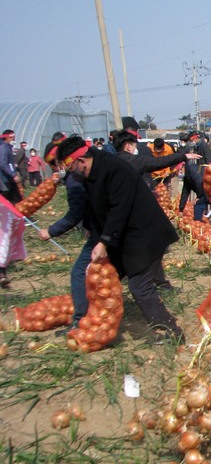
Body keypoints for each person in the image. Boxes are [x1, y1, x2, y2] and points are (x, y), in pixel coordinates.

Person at [55, 136, 185, 344]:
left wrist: (104, 241)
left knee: (140, 286)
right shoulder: (91, 173)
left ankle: (173, 333)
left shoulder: (113, 168)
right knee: (91, 274)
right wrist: (92, 229)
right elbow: (95, 206)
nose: (70, 173)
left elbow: (119, 209)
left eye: (69, 168)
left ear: (79, 160)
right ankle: (89, 324)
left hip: (145, 234)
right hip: (127, 236)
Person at [39, 141, 93, 336]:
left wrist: (51, 231)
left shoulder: (73, 180)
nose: (54, 170)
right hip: (105, 228)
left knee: (79, 272)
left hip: (105, 232)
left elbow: (75, 213)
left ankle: (80, 321)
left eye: (54, 165)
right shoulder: (80, 175)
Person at [113, 131, 198, 189]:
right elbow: (158, 162)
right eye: (135, 146)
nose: (136, 149)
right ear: (128, 146)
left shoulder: (112, 160)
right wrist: (183, 156)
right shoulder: (131, 161)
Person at [178, 131, 210, 221]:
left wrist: (198, 197)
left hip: (206, 181)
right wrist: (181, 209)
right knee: (200, 204)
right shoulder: (189, 176)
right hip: (201, 179)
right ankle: (199, 221)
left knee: (201, 204)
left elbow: (208, 161)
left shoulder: (203, 145)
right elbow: (185, 191)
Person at [0, 129, 23, 204]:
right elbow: (3, 164)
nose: (14, 139)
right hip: (5, 178)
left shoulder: (8, 148)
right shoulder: (3, 148)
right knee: (8, 198)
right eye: (13, 138)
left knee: (16, 199)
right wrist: (13, 175)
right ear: (8, 138)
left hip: (9, 177)